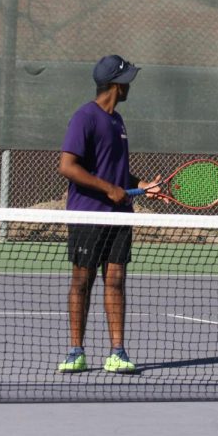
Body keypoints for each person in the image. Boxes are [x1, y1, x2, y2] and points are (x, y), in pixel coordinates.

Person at [57, 55, 163, 374]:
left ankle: (117, 351)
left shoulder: (117, 121)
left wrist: (142, 185)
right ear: (117, 85)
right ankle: (76, 351)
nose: (131, 84)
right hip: (88, 216)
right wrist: (107, 188)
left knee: (115, 281)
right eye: (127, 79)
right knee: (82, 281)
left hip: (120, 217)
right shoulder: (84, 117)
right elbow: (67, 166)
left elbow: (117, 173)